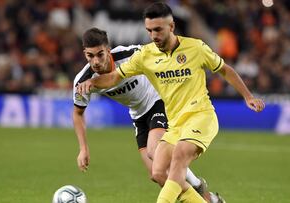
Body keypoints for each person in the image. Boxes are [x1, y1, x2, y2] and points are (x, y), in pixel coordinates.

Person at [77, 2, 265, 202]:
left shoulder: (195, 48)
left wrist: (248, 96)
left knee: (179, 156)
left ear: (172, 27)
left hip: (200, 116)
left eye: (158, 29)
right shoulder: (146, 55)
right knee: (158, 173)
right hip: (175, 125)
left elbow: (224, 69)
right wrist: (92, 82)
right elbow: (114, 77)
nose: (153, 35)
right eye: (149, 30)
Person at [72, 27, 220, 202]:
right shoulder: (82, 82)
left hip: (159, 101)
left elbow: (159, 53)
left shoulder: (130, 54)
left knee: (154, 152)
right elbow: (78, 113)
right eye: (90, 56)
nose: (95, 61)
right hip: (138, 116)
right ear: (84, 54)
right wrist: (83, 148)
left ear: (108, 50)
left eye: (100, 54)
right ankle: (207, 197)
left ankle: (197, 185)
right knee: (157, 175)